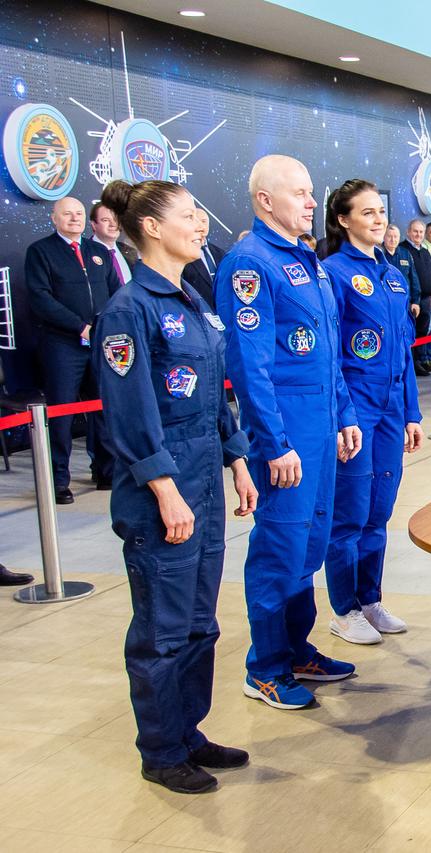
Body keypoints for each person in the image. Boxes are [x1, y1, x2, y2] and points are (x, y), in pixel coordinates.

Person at [92, 177, 258, 794]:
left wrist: (238, 460)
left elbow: (214, 393)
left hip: (204, 486)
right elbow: (130, 413)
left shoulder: (192, 299)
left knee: (199, 623)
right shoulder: (128, 310)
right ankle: (161, 752)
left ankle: (187, 731)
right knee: (161, 630)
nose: (201, 224)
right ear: (152, 228)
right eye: (189, 215)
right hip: (162, 493)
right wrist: (164, 490)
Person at [216, 154, 363, 711]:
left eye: (311, 192)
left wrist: (345, 412)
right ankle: (267, 668)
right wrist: (274, 444)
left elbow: (328, 353)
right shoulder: (250, 265)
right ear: (265, 200)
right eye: (299, 193)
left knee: (311, 545)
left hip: (324, 430)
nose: (310, 202)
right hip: (288, 437)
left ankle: (298, 650)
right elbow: (250, 368)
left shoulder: (308, 260)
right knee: (280, 548)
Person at [320, 180, 424, 645]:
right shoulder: (333, 274)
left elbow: (403, 351)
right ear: (343, 220)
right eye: (366, 213)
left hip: (390, 412)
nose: (378, 219)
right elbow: (329, 357)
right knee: (351, 514)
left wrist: (412, 413)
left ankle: (369, 598)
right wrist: (344, 416)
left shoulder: (394, 274)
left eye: (380, 211)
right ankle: (344, 610)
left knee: (380, 511)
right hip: (356, 411)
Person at [24, 196, 123, 503]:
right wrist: (79, 327)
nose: (74, 218)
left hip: (99, 343)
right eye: (67, 214)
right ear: (54, 218)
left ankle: (106, 472)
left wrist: (106, 327)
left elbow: (116, 293)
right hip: (62, 345)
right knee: (62, 415)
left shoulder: (98, 252)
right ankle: (57, 481)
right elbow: (40, 299)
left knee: (104, 410)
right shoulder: (41, 252)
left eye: (79, 213)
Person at [400, 220, 431, 375]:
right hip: (413, 301)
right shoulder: (403, 250)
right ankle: (413, 363)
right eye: (415, 231)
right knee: (412, 332)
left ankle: (422, 360)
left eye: (421, 232)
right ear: (408, 232)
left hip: (427, 299)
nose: (418, 235)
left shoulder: (425, 250)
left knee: (424, 332)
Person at [181, 208, 227, 307]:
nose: (201, 225)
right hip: (197, 309)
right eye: (197, 221)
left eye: (204, 221)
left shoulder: (220, 252)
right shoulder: (183, 254)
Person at [90, 201, 137, 285]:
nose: (112, 224)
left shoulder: (130, 252)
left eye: (116, 219)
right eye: (105, 220)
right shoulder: (83, 252)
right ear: (94, 225)